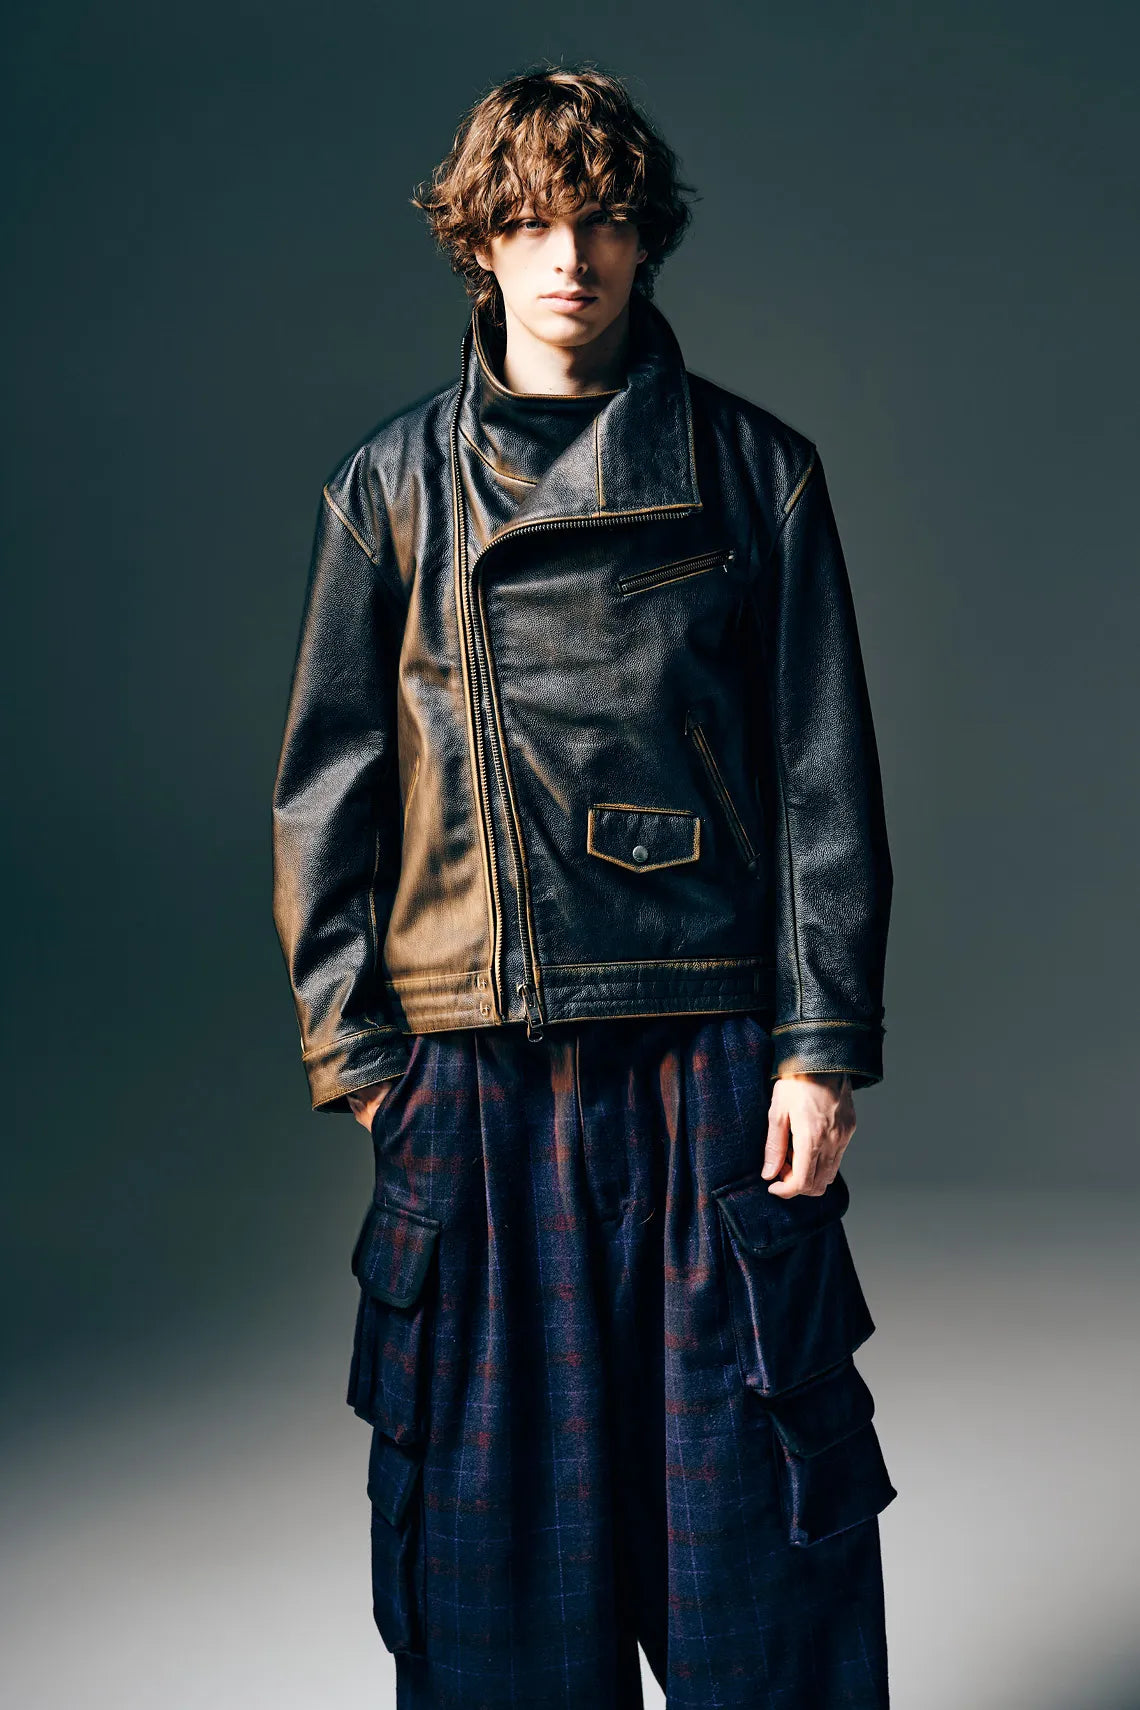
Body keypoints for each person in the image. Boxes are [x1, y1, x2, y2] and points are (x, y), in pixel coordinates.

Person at [272, 62, 897, 1710]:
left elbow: (824, 774)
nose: (572, 255)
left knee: (763, 1561)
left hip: (712, 1066)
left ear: (644, 239)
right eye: (535, 219)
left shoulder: (757, 473)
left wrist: (820, 1044)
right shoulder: (389, 490)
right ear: (478, 241)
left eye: (605, 218)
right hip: (476, 1075)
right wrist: (366, 1059)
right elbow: (326, 792)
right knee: (496, 1594)